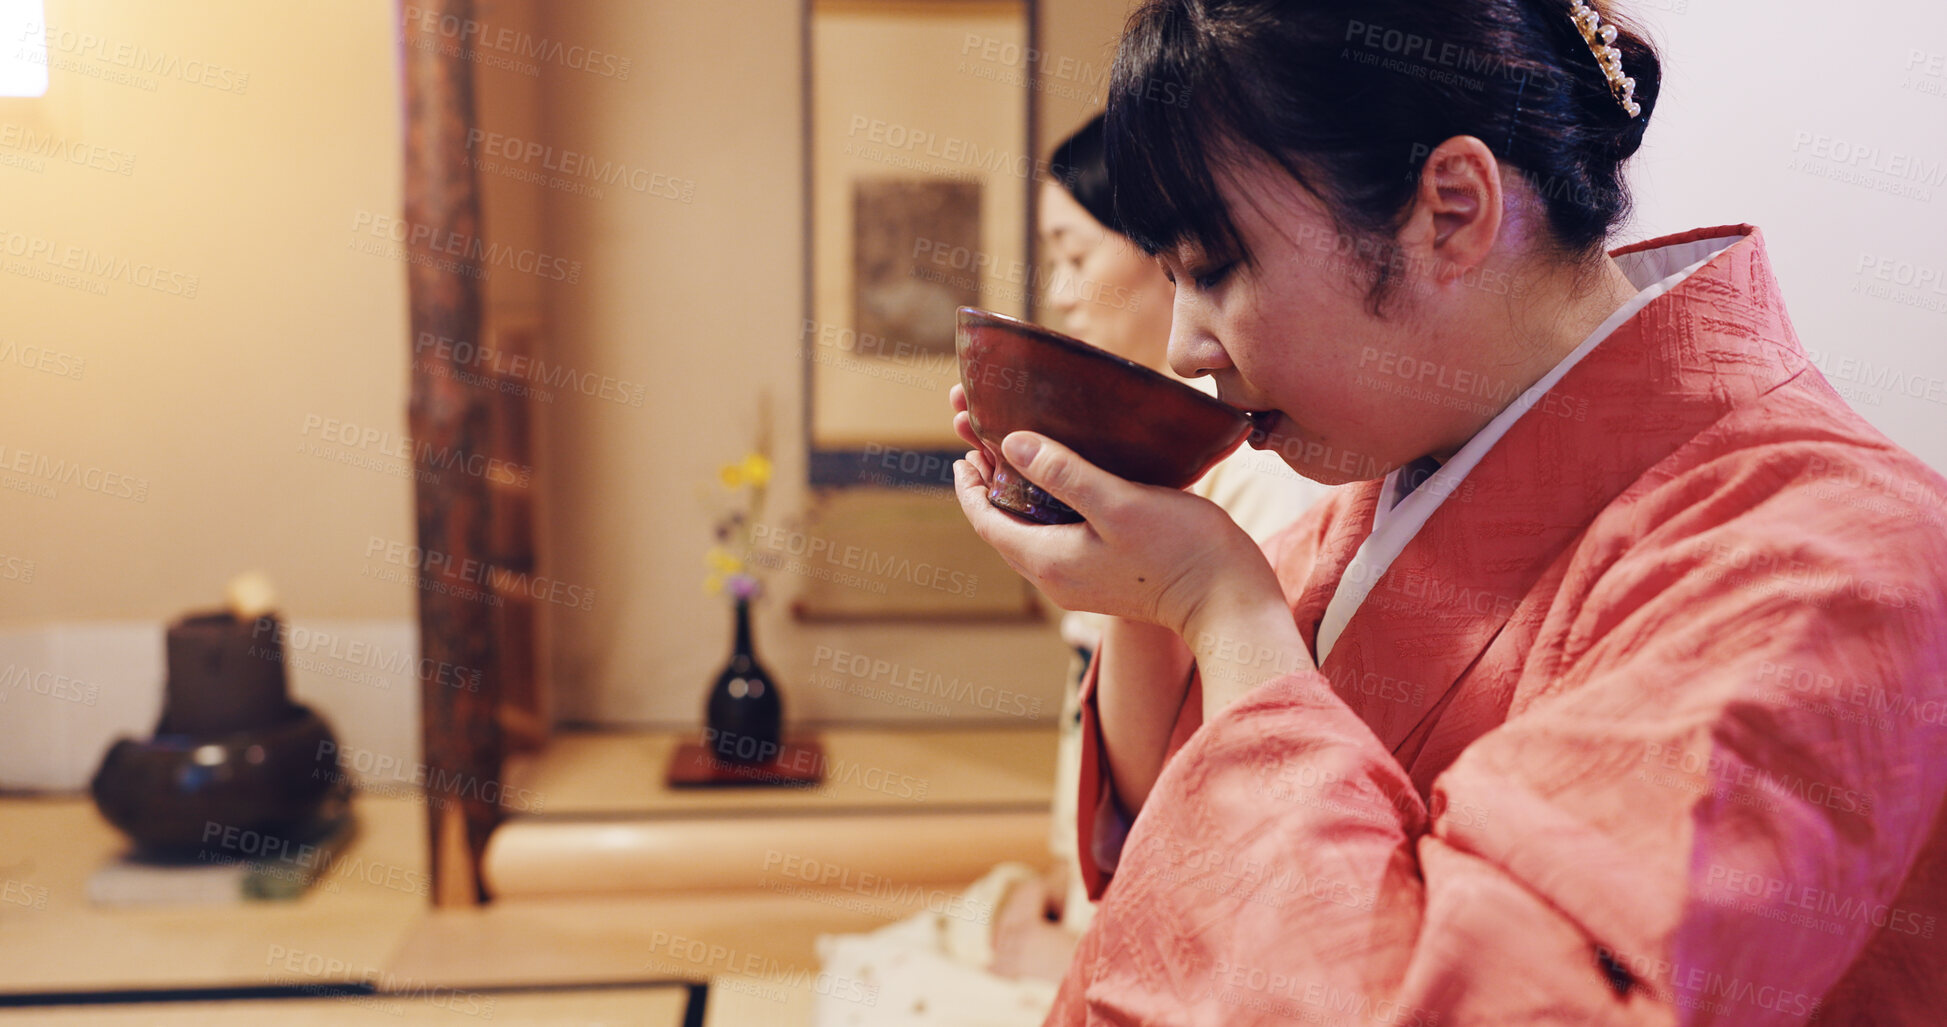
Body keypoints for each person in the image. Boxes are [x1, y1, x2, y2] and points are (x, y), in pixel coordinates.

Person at [948, 1, 1947, 1023]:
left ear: (1453, 210)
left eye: (1213, 269)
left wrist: (1224, 609)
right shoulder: (1406, 467)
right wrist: (1148, 572)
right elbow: (1167, 856)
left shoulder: (1834, 557)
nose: (1184, 347)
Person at [813, 115, 1331, 1027]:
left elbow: (1225, 806)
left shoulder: (1270, 482)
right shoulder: (1153, 470)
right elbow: (1124, 779)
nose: (1056, 292)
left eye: (1074, 255)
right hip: (1106, 881)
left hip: (1197, 932)